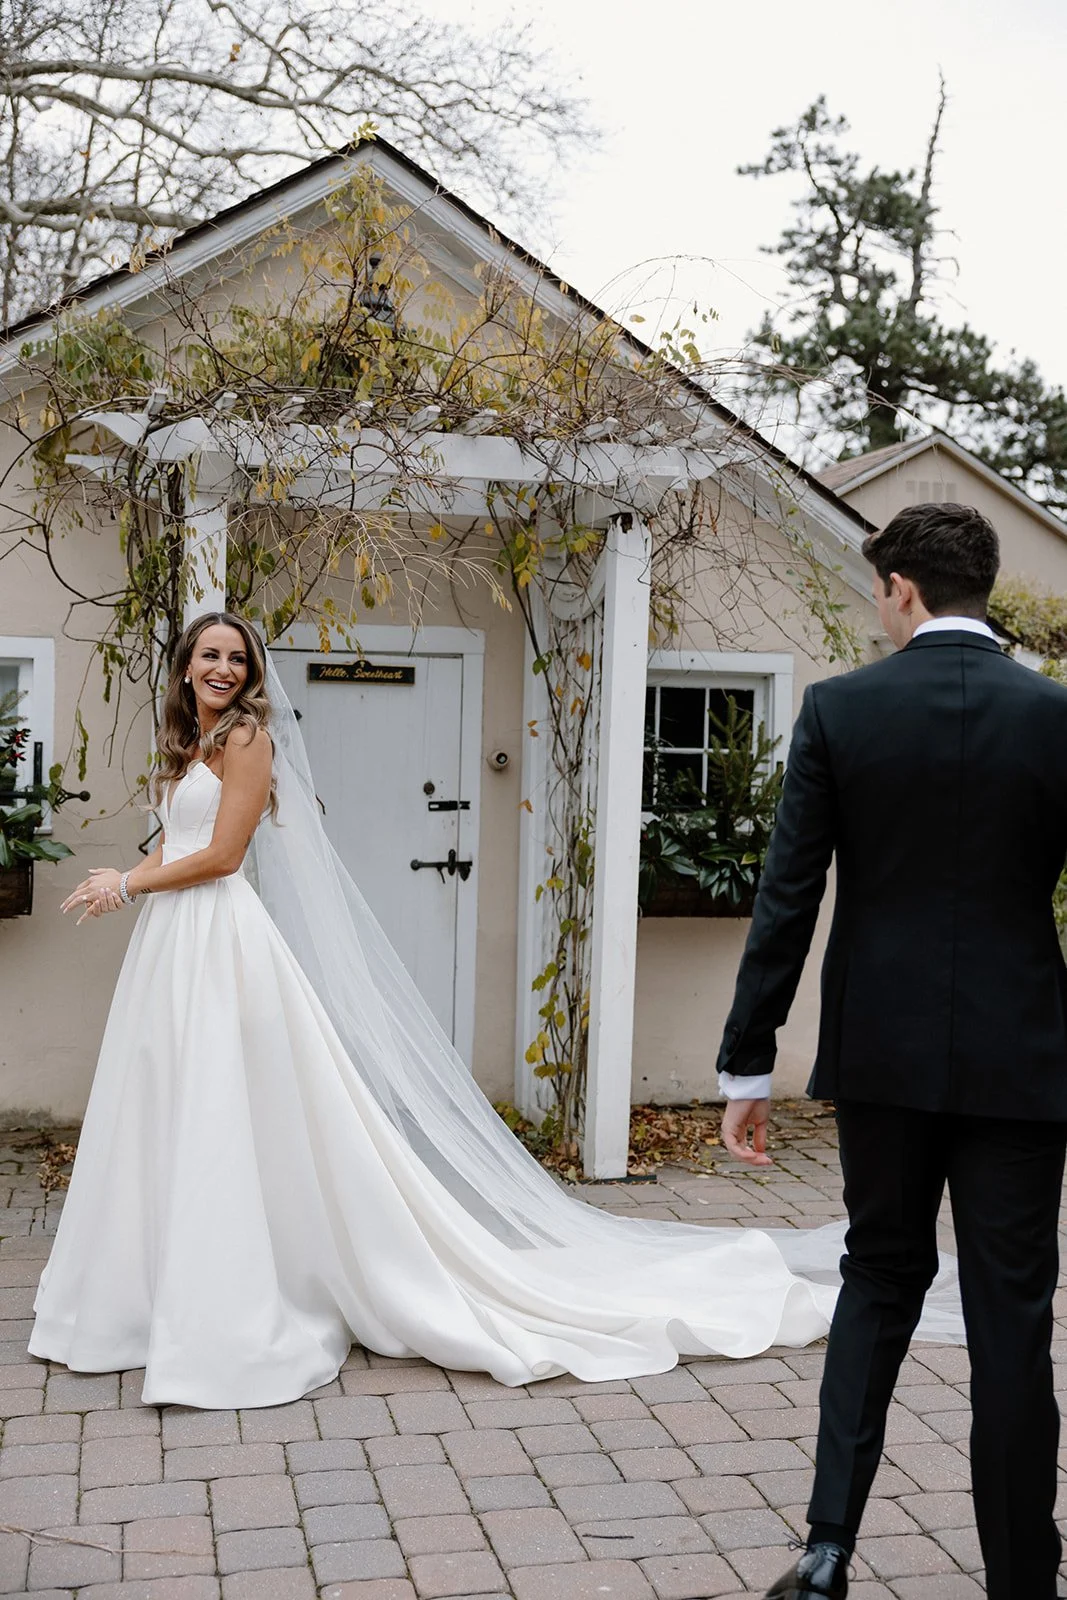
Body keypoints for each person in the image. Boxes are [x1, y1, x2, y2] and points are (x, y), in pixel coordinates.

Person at [39, 610, 947, 1411]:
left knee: (220, 1106)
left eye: (236, 657)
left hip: (220, 940)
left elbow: (225, 854)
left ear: (250, 673)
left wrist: (132, 884)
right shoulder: (189, 741)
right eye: (209, 655)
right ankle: (152, 1293)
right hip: (172, 943)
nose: (223, 668)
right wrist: (127, 873)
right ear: (186, 666)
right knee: (170, 1104)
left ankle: (231, 1304)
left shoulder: (245, 739)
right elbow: (179, 838)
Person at [716, 502, 1067, 1600]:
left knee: (876, 1279)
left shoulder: (840, 708)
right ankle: (1022, 1578)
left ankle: (825, 1553)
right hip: (1023, 1058)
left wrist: (747, 1062)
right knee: (1011, 1313)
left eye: (877, 590)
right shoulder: (1055, 717)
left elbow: (786, 897)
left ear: (901, 588)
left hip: (880, 1053)